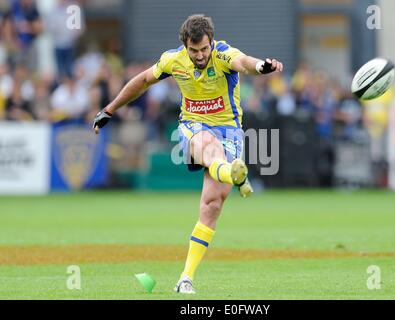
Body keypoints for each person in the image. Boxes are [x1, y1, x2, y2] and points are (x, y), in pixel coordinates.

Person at [92, 14, 283, 294]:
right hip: (193, 127)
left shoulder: (224, 54)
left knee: (212, 205)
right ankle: (233, 173)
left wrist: (262, 66)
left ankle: (185, 279)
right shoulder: (173, 60)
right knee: (207, 144)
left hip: (230, 131)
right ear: (185, 45)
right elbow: (143, 80)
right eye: (194, 51)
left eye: (204, 49)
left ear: (211, 42)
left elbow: (245, 63)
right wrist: (109, 110)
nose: (200, 55)